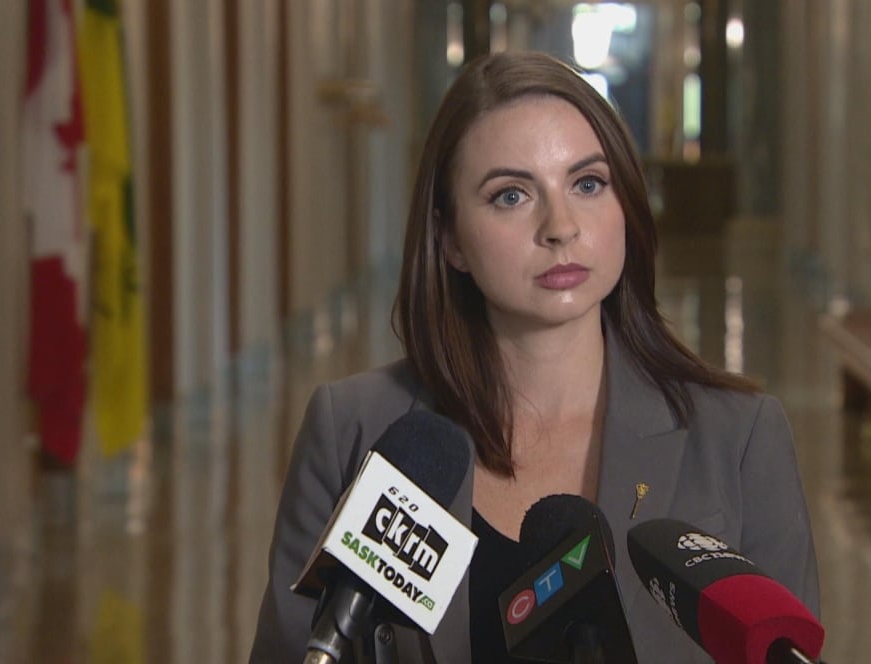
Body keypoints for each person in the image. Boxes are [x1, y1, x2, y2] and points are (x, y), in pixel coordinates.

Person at [250, 50, 818, 663]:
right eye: (511, 195)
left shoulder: (738, 439)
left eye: (587, 183)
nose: (560, 226)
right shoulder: (353, 429)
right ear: (449, 238)